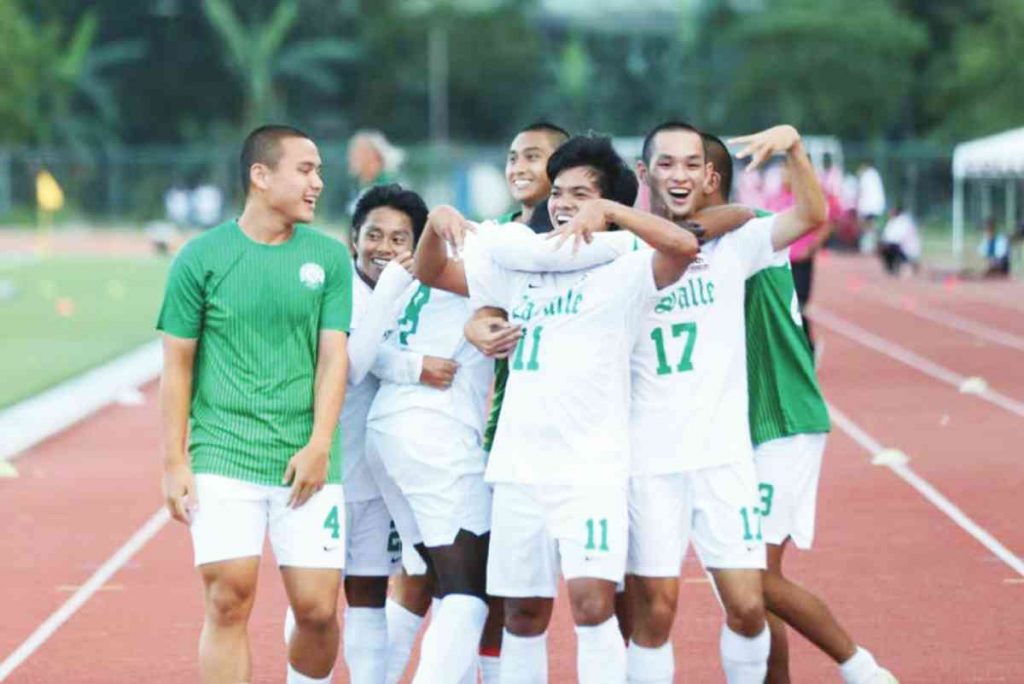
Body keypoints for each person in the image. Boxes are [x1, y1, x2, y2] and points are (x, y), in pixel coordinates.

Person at [415, 133, 703, 684]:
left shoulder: (627, 266)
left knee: (593, 606)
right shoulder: (519, 261)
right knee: (522, 615)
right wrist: (436, 222)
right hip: (520, 466)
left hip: (591, 469)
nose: (564, 202)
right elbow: (432, 272)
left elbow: (684, 248)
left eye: (580, 193)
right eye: (561, 192)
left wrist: (613, 210)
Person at [158, 125, 352, 684]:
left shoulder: (328, 259)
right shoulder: (200, 258)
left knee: (317, 613)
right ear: (261, 177)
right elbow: (178, 366)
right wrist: (175, 462)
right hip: (223, 452)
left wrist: (319, 445)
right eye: (306, 170)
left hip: (307, 460)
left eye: (318, 171)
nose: (318, 182)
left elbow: (333, 359)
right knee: (227, 597)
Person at [703, 133, 898, 684]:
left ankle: (865, 671)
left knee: (757, 578)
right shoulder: (673, 246)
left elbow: (811, 213)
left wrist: (794, 148)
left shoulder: (750, 232)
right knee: (746, 594)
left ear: (712, 178)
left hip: (782, 418)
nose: (671, 178)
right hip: (734, 431)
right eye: (659, 168)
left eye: (688, 166)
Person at [363, 199, 497, 683]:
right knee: (469, 592)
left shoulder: (410, 277)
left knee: (427, 579)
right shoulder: (494, 252)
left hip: (386, 431)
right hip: (434, 435)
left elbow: (367, 347)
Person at [879, 205, 921, 276]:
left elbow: (897, 238)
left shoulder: (902, 222)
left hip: (904, 248)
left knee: (891, 248)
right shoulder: (893, 221)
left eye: (892, 211)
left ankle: (902, 265)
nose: (890, 212)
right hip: (900, 247)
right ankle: (892, 267)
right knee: (885, 247)